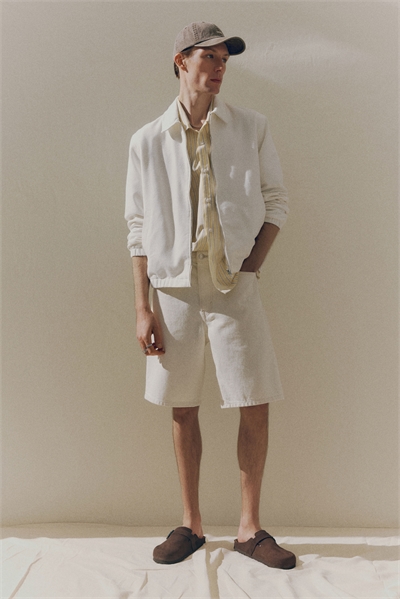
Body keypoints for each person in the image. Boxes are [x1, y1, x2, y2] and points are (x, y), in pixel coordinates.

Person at [125, 22, 295, 570]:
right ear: (181, 61)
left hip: (233, 283)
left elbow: (276, 201)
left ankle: (249, 529)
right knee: (183, 405)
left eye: (225, 60)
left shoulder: (251, 127)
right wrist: (142, 308)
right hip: (173, 286)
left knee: (254, 399)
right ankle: (191, 524)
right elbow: (137, 227)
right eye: (209, 58)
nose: (220, 68)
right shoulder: (148, 139)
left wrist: (251, 267)